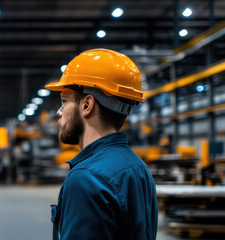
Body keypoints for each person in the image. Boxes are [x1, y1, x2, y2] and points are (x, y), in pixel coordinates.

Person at [47, 49, 158, 240]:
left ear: (87, 105)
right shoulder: (138, 167)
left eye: (64, 101)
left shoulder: (87, 178)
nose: (60, 112)